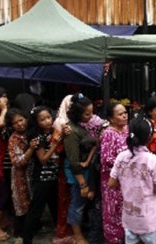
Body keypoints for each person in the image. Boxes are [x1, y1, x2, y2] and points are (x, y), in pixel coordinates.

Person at [108, 118, 156, 244]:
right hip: (149, 220)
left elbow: (111, 183)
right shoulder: (153, 160)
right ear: (150, 138)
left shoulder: (121, 157)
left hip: (129, 218)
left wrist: (126, 182)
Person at [23, 106, 62, 244]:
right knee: (36, 209)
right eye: (42, 120)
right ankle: (26, 239)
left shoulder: (54, 131)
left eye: (48, 117)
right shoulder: (36, 137)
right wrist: (54, 144)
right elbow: (43, 159)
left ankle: (60, 234)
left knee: (55, 206)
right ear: (36, 122)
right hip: (42, 178)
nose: (47, 121)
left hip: (55, 176)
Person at [63, 93, 97, 244]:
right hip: (78, 173)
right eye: (87, 113)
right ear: (78, 114)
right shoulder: (70, 132)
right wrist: (82, 184)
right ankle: (77, 236)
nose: (91, 116)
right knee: (77, 204)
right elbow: (73, 161)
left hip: (86, 169)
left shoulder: (83, 126)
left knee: (83, 204)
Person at [6, 108, 38, 242]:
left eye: (21, 120)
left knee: (31, 204)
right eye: (15, 123)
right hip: (20, 177)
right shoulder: (14, 139)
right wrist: (31, 149)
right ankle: (20, 234)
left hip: (32, 175)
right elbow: (17, 162)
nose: (20, 124)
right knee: (21, 206)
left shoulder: (31, 132)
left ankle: (31, 230)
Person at [100, 103, 129, 244]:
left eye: (125, 112)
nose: (125, 115)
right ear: (111, 118)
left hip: (128, 180)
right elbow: (106, 159)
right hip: (113, 180)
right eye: (120, 114)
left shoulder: (128, 130)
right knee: (113, 211)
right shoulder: (108, 134)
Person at [52, 95, 74, 243]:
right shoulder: (60, 122)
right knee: (65, 199)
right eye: (70, 105)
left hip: (74, 165)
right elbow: (56, 149)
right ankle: (63, 232)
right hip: (64, 167)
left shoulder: (76, 121)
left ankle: (72, 228)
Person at [0, 87, 9, 241]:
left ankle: (1, 221)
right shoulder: (0, 115)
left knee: (4, 194)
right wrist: (4, 109)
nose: (5, 100)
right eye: (2, 97)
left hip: (0, 159)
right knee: (2, 195)